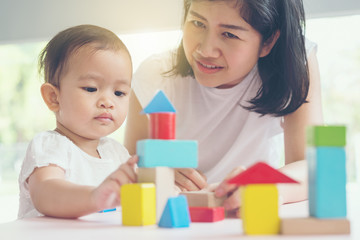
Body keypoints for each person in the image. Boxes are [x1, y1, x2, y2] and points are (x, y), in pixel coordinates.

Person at [124, 0, 323, 212]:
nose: (206, 50)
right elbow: (127, 166)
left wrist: (268, 185)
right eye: (198, 24)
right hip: (178, 216)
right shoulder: (155, 75)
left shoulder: (293, 63)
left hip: (244, 219)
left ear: (269, 41)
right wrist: (155, 174)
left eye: (229, 34)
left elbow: (311, 167)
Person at [18, 24, 136, 219]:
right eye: (91, 89)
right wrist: (95, 197)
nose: (108, 102)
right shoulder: (50, 146)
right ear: (54, 97)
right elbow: (46, 193)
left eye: (119, 93)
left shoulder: (117, 153)